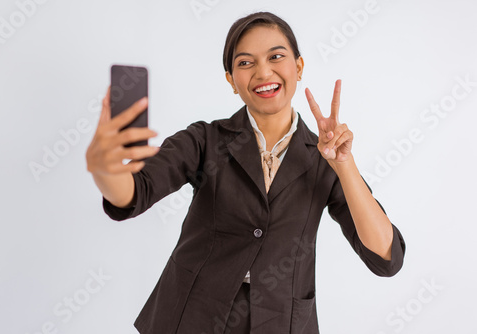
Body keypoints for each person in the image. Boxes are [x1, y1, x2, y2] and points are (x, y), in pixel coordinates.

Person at [86, 11, 406, 334]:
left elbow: (385, 256)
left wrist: (344, 165)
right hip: (193, 317)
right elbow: (135, 191)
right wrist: (104, 169)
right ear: (231, 81)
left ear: (298, 67)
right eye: (245, 63)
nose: (263, 72)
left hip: (283, 322)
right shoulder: (205, 140)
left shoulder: (326, 158)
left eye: (276, 57)